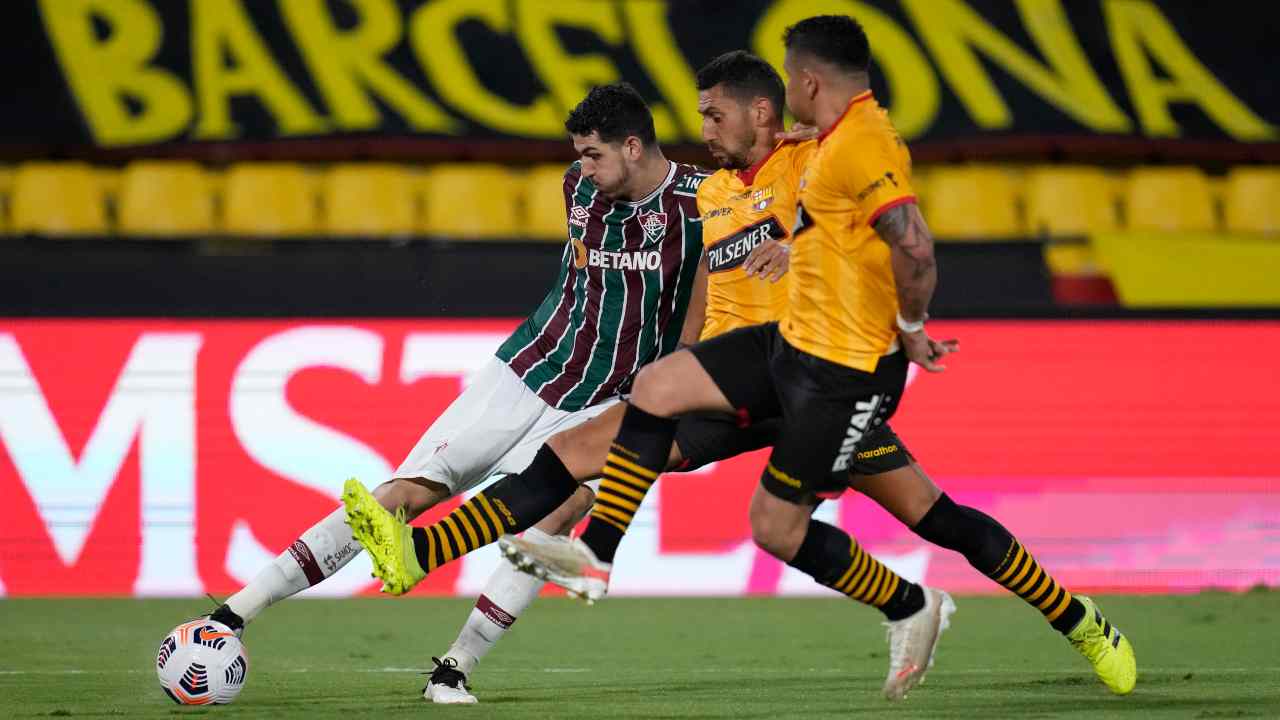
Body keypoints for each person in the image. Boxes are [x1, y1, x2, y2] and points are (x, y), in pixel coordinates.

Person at [343, 50, 953, 701]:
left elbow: (876, 217)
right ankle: (455, 558)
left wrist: (902, 322)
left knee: (919, 514)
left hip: (825, 380)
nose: (707, 131)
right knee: (581, 454)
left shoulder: (815, 168)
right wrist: (688, 357)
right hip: (738, 387)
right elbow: (701, 286)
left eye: (715, 116)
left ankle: (1048, 618)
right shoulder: (715, 194)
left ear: (764, 116)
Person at [200, 82, 710, 705]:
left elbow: (699, 309)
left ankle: (454, 669)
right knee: (407, 492)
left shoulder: (702, 204)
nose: (583, 167)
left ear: (634, 146)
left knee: (553, 522)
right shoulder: (579, 187)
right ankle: (231, 616)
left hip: (607, 401)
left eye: (594, 154)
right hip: (526, 371)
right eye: (578, 154)